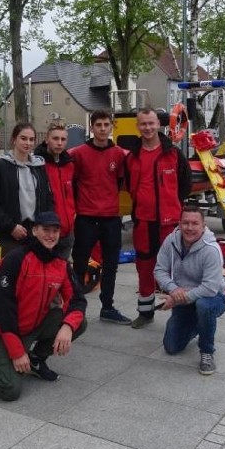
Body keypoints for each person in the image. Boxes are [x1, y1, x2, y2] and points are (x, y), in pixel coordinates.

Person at [0, 212, 88, 400]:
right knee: (9, 389)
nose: (51, 235)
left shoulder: (61, 264)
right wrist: (17, 352)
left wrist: (67, 327)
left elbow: (77, 299)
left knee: (78, 323)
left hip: (33, 325)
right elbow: (2, 308)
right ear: (34, 230)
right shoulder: (15, 259)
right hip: (2, 330)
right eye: (45, 230)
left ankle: (35, 359)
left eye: (55, 231)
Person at [124, 107, 191, 329]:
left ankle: (183, 314)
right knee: (144, 267)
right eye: (143, 124)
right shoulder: (132, 156)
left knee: (179, 269)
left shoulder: (173, 154)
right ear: (138, 126)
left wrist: (175, 207)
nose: (148, 128)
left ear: (158, 124)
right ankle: (145, 312)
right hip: (143, 222)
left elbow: (185, 185)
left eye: (151, 123)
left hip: (169, 224)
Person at [69, 109, 131, 325]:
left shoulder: (119, 154)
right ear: (92, 127)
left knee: (111, 264)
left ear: (111, 126)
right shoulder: (78, 153)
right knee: (79, 264)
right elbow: (69, 179)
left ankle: (107, 307)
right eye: (99, 125)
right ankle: (74, 307)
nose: (103, 129)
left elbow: (122, 181)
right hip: (86, 217)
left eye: (106, 125)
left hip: (111, 218)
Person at [155, 206, 225, 375]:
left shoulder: (211, 249)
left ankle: (207, 351)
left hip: (214, 297)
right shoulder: (170, 241)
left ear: (203, 225)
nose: (189, 228)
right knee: (171, 347)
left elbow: (210, 288)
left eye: (195, 223)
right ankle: (199, 324)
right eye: (185, 223)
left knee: (204, 306)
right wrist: (173, 290)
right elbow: (159, 270)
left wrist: (178, 298)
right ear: (179, 224)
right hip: (183, 296)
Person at [0, 123, 54, 256]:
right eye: (23, 138)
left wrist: (45, 224)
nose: (28, 143)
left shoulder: (39, 166)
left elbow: (48, 197)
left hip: (37, 231)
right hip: (11, 233)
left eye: (31, 139)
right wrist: (10, 227)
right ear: (14, 140)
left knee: (36, 272)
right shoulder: (1, 166)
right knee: (14, 272)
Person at [34, 125, 76, 259]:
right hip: (47, 233)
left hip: (67, 232)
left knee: (61, 274)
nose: (59, 143)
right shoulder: (37, 165)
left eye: (63, 139)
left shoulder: (69, 165)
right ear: (46, 139)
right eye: (55, 138)